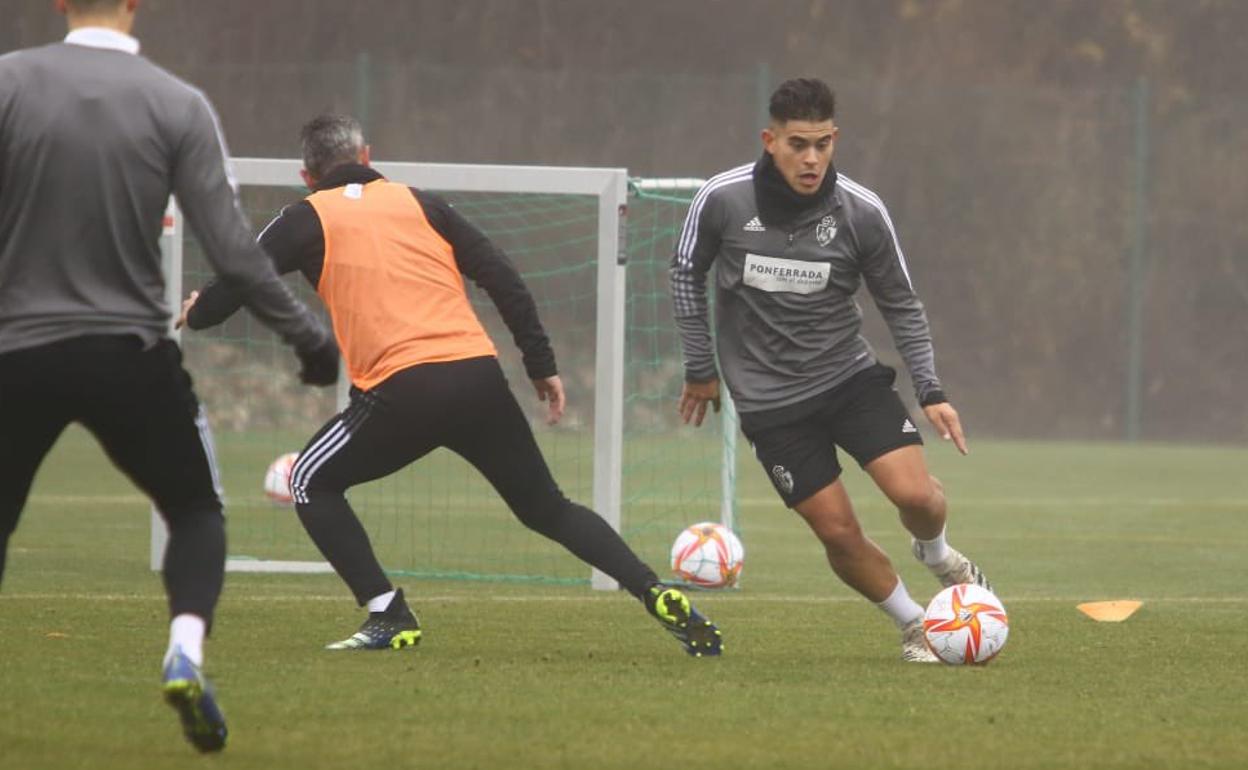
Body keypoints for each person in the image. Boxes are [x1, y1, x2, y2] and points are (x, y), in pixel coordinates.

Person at [179, 113, 722, 658]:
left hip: (402, 390)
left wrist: (198, 308)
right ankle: (652, 590)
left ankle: (386, 612)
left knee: (309, 480)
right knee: (547, 508)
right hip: (478, 378)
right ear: (367, 157)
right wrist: (540, 364)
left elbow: (237, 283)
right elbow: (501, 274)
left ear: (306, 175)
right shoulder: (422, 203)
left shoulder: (303, 217)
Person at [0, 0, 338, 752]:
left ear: (60, 3)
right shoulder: (176, 103)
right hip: (129, 354)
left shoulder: (9, 85)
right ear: (134, 3)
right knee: (195, 510)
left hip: (17, 353)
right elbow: (234, 251)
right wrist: (307, 334)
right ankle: (184, 646)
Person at [670, 77, 992, 663]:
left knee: (917, 496)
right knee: (837, 532)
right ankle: (917, 626)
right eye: (797, 144)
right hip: (771, 407)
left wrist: (931, 389)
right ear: (770, 140)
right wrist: (700, 367)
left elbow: (900, 302)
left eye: (822, 144)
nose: (811, 158)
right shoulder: (722, 198)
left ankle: (938, 555)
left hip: (847, 379)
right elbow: (685, 272)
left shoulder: (861, 212)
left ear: (835, 139)